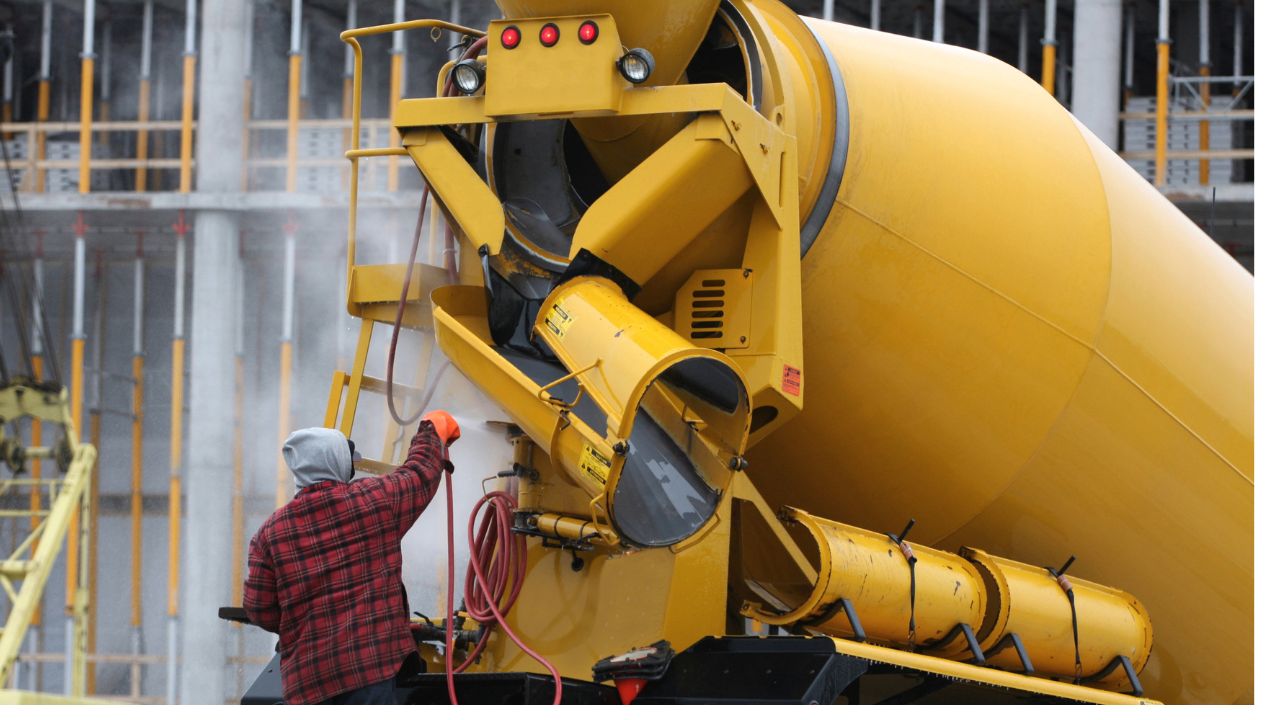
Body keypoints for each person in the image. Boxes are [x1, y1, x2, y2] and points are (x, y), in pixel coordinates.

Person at [243, 410, 462, 705]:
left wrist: (305, 623)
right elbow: (420, 473)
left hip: (308, 683)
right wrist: (431, 431)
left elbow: (260, 610)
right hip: (370, 670)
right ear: (338, 465)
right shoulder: (372, 501)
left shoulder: (268, 534)